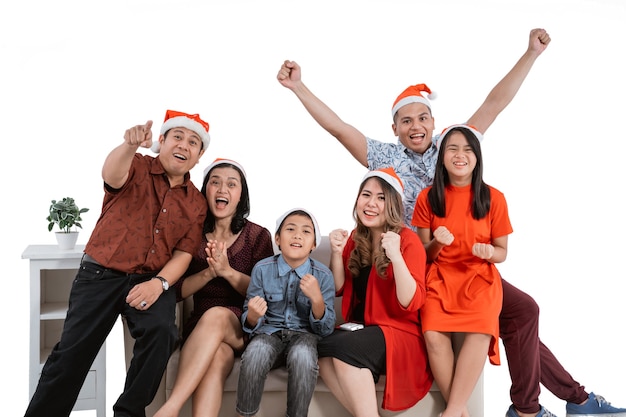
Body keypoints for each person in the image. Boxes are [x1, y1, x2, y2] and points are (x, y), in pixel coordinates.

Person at [277, 29, 626, 417]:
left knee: (522, 311)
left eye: (422, 117)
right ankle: (556, 403)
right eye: (406, 120)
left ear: (434, 120)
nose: (415, 126)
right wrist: (298, 87)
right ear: (395, 129)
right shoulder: (383, 156)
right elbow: (339, 127)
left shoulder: (451, 144)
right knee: (514, 315)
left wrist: (530, 54)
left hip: (466, 262)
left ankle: (550, 403)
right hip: (422, 266)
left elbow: (493, 105)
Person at [24, 109, 211, 417]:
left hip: (151, 279)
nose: (184, 145)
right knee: (71, 355)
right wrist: (129, 145)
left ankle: (128, 413)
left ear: (199, 155)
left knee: (162, 333)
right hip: (100, 273)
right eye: (177, 137)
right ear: (161, 141)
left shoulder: (196, 202)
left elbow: (183, 254)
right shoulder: (136, 164)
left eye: (193, 142)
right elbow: (111, 174)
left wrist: (159, 284)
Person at [153, 158, 274, 417]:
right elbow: (174, 292)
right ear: (205, 190)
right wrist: (209, 273)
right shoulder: (191, 235)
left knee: (217, 315)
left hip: (244, 325)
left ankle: (170, 408)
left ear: (241, 195)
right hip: (201, 329)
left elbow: (266, 294)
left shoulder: (257, 236)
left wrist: (227, 272)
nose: (222, 189)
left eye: (232, 184)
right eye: (215, 183)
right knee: (217, 357)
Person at [413, 125, 512, 417]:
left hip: (479, 279)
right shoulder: (428, 198)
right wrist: (436, 244)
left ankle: (453, 410)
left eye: (468, 149)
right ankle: (460, 412)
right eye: (453, 149)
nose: (460, 155)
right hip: (441, 277)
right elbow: (423, 256)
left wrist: (489, 252)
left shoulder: (494, 198)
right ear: (442, 157)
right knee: (432, 334)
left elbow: (502, 252)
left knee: (481, 330)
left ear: (477, 157)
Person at [319, 167, 432, 417]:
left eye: (381, 198)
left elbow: (410, 301)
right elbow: (337, 288)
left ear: (391, 205)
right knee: (323, 351)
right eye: (366, 195)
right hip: (363, 330)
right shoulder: (356, 239)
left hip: (399, 334)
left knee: (342, 349)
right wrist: (336, 253)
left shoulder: (407, 240)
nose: (371, 204)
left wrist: (396, 256)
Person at [236, 208, 336, 417]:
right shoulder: (262, 269)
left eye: (306, 232)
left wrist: (317, 299)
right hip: (269, 333)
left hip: (305, 336)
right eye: (290, 229)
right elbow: (249, 319)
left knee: (303, 356)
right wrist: (253, 315)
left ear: (314, 245)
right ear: (278, 239)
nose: (298, 235)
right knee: (255, 353)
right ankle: (245, 414)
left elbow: (325, 329)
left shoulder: (323, 275)